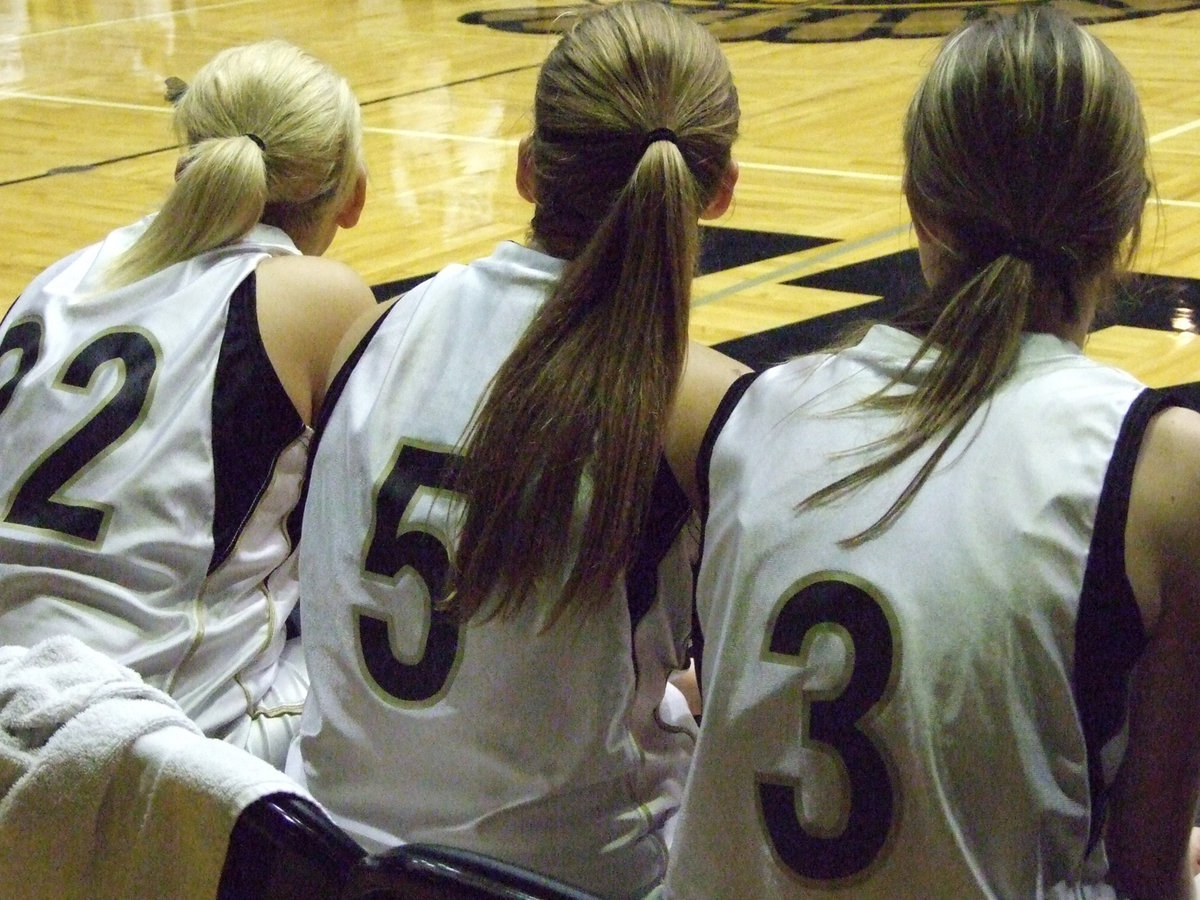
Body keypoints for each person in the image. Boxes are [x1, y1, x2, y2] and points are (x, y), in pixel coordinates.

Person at [662, 8, 1200, 899]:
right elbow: (1148, 870)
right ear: (1128, 224)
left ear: (918, 209)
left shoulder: (751, 415)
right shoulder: (1164, 468)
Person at [284, 3, 739, 895]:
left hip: (325, 854)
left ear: (528, 170)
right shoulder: (699, 403)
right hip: (562, 879)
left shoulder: (374, 329)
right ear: (720, 192)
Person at [0, 39, 376, 768]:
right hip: (142, 733)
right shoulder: (317, 297)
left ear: (185, 166)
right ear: (353, 194)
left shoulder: (60, 274)